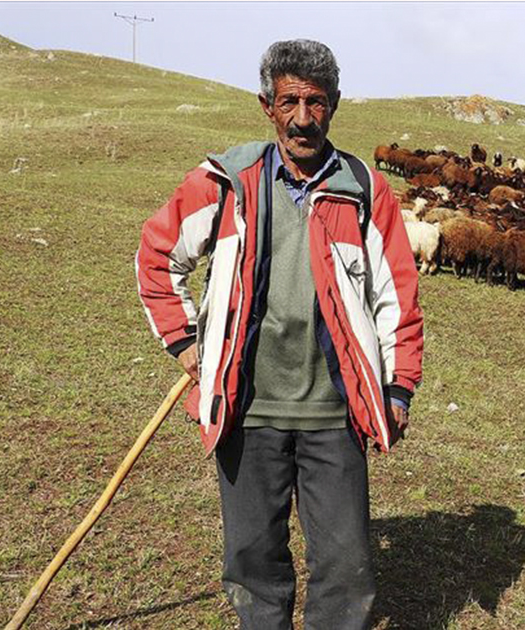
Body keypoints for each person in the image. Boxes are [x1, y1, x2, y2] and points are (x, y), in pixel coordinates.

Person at [135, 39, 423, 629]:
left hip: (336, 412)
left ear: (334, 106)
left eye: (315, 103)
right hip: (247, 409)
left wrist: (396, 390)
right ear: (266, 104)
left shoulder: (364, 190)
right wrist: (190, 347)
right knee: (253, 563)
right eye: (288, 100)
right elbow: (157, 258)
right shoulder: (227, 182)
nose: (301, 118)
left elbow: (396, 296)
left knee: (345, 569)